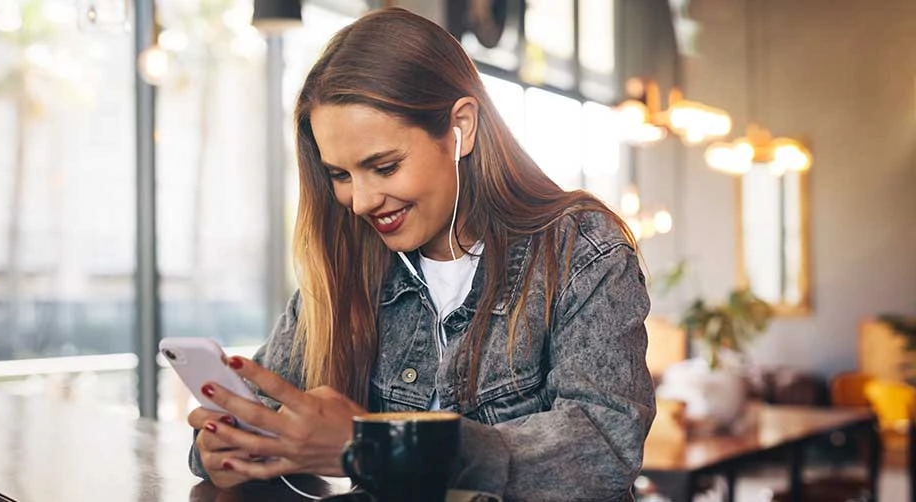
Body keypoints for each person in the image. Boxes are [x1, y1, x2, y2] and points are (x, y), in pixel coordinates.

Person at [187, 7, 655, 501]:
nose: (361, 202)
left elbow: (603, 448)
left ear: (461, 129)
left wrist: (386, 445)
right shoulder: (350, 262)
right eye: (341, 176)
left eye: (384, 167)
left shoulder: (579, 248)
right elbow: (254, 413)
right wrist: (227, 446)